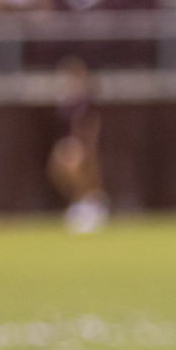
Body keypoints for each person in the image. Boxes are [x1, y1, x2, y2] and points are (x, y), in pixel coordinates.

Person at [48, 55, 106, 232]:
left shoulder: (85, 100)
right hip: (68, 142)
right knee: (57, 174)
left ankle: (89, 206)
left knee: (82, 175)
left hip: (81, 143)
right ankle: (80, 203)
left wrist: (84, 144)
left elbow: (91, 123)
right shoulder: (65, 101)